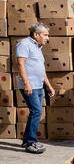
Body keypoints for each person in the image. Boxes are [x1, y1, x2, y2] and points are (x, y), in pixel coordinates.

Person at [16, 22, 55, 154]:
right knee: (36, 111)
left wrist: (48, 86)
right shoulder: (24, 44)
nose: (47, 38)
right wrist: (26, 83)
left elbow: (41, 69)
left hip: (38, 85)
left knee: (36, 111)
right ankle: (31, 142)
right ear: (36, 34)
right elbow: (20, 64)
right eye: (45, 35)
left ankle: (26, 140)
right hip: (30, 86)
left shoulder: (38, 47)